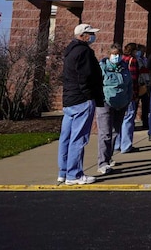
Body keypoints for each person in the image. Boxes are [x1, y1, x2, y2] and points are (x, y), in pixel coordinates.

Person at [58, 23, 104, 185]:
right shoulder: (84, 52)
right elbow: (86, 76)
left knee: (66, 137)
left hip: (70, 100)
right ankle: (74, 174)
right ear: (83, 35)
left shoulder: (70, 51)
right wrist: (89, 95)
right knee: (78, 138)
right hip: (81, 100)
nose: (93, 36)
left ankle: (63, 171)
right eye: (90, 33)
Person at [95, 43, 132, 175]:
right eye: (113, 54)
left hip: (121, 103)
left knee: (116, 132)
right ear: (109, 55)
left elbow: (129, 85)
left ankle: (108, 157)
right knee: (105, 133)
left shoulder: (124, 68)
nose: (116, 56)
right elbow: (97, 85)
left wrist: (128, 99)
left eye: (118, 54)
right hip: (106, 102)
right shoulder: (103, 67)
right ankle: (102, 163)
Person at [116, 42, 140, 153]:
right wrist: (135, 94)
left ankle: (117, 144)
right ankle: (126, 145)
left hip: (119, 94)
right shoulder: (132, 60)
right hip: (129, 94)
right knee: (128, 119)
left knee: (119, 119)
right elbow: (133, 79)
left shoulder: (120, 59)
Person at [137, 44, 151, 131]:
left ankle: (145, 122)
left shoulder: (145, 59)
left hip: (145, 83)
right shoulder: (136, 60)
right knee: (135, 104)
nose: (143, 52)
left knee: (145, 105)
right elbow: (141, 69)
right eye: (141, 50)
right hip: (138, 83)